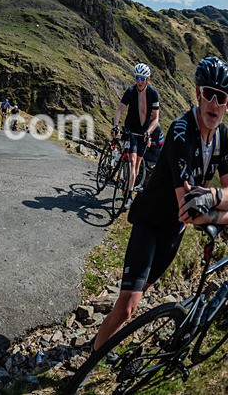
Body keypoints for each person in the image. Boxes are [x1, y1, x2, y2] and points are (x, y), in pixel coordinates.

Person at [91, 56, 228, 353]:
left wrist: (214, 198)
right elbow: (189, 209)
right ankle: (93, 355)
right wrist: (221, 210)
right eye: (209, 94)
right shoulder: (181, 130)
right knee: (127, 306)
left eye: (222, 97)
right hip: (151, 222)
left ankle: (102, 344)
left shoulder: (224, 137)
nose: (214, 104)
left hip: (173, 234)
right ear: (197, 94)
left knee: (140, 297)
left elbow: (216, 198)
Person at [112, 63, 160, 208]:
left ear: (148, 79)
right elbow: (119, 110)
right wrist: (115, 125)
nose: (139, 81)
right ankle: (128, 195)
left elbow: (156, 118)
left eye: (142, 78)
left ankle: (129, 189)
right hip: (130, 130)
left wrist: (148, 132)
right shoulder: (131, 91)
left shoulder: (153, 94)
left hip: (144, 134)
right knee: (132, 161)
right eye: (137, 77)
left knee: (137, 163)